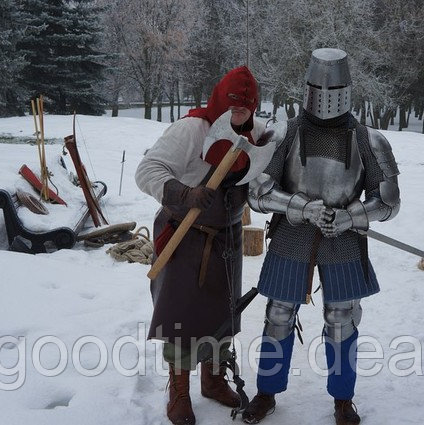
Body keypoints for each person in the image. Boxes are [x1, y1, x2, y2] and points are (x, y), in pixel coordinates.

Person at [242, 48, 400, 425]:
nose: (326, 96)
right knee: (279, 314)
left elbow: (389, 201)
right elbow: (258, 191)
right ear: (308, 87)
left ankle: (343, 399)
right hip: (291, 235)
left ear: (348, 89)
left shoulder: (368, 139)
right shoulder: (285, 132)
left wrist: (351, 216)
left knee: (342, 319)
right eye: (319, 87)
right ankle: (266, 392)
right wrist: (301, 206)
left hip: (343, 240)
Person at [135, 66, 264, 425]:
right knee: (182, 319)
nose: (238, 113)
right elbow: (148, 170)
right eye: (233, 105)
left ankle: (213, 379)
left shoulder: (257, 134)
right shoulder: (191, 129)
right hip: (186, 234)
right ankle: (179, 392)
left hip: (228, 235)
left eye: (246, 107)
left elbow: (265, 177)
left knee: (223, 314)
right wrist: (184, 192)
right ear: (220, 99)